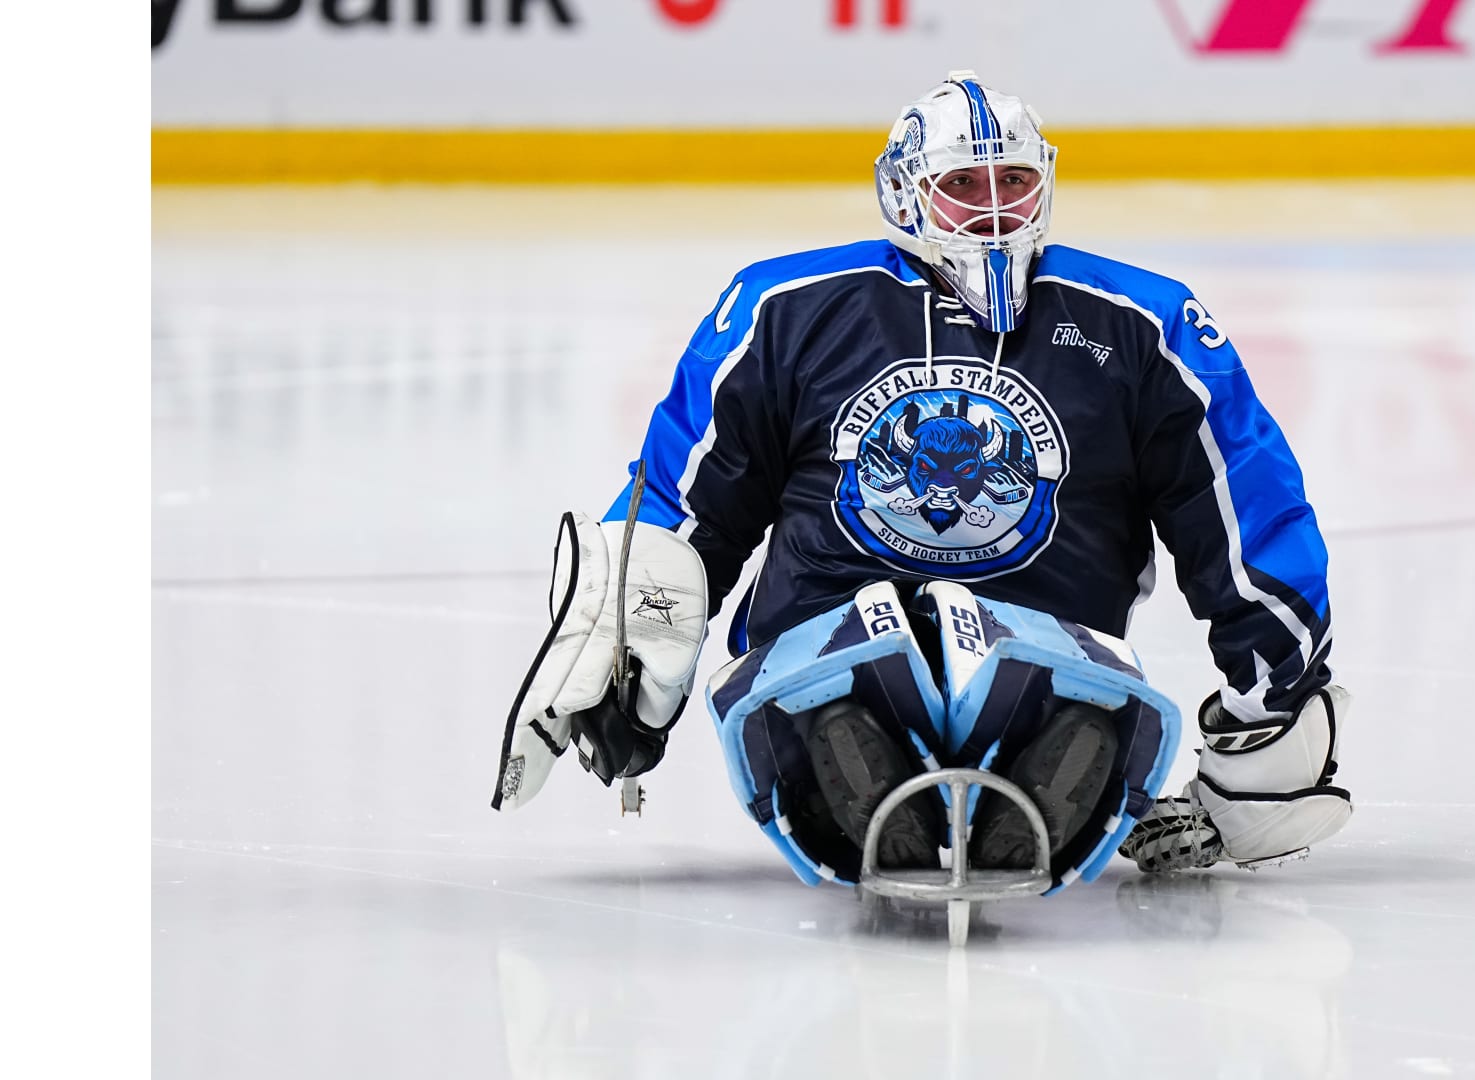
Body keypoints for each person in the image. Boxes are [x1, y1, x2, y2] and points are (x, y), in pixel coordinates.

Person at [489, 71, 1353, 886]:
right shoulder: (781, 310)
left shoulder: (1143, 323)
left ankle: (1037, 778)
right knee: (840, 693)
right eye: (963, 185)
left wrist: (1271, 713)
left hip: (1053, 646)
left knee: (1070, 703)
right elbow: (685, 504)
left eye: (1014, 181)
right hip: (821, 646)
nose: (994, 207)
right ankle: (863, 773)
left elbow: (1239, 508)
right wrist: (627, 656)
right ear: (907, 193)